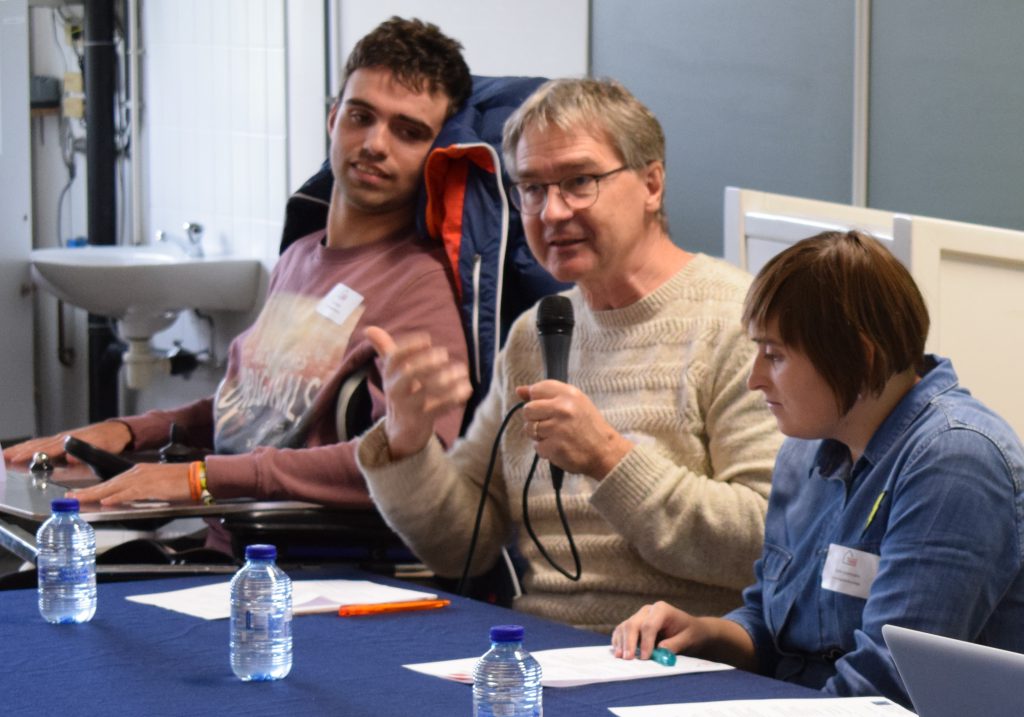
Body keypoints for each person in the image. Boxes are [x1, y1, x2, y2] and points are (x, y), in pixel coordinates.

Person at [4, 18, 471, 549]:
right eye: (361, 117)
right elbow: (258, 415)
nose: (375, 144)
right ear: (333, 116)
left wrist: (202, 479)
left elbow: (409, 457)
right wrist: (131, 433)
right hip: (219, 551)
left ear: (436, 152)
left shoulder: (420, 283)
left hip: (302, 570)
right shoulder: (299, 256)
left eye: (409, 132)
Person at [356, 78, 782, 631]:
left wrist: (608, 458)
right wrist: (408, 447)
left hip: (679, 662)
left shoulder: (738, 324)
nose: (551, 212)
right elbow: (464, 548)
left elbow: (767, 544)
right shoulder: (536, 333)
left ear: (652, 184)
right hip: (539, 651)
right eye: (531, 188)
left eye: (579, 182)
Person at [611, 230, 1024, 707]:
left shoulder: (955, 461)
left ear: (860, 356)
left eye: (776, 356)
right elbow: (773, 625)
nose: (754, 380)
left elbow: (886, 688)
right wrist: (709, 634)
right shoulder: (805, 450)